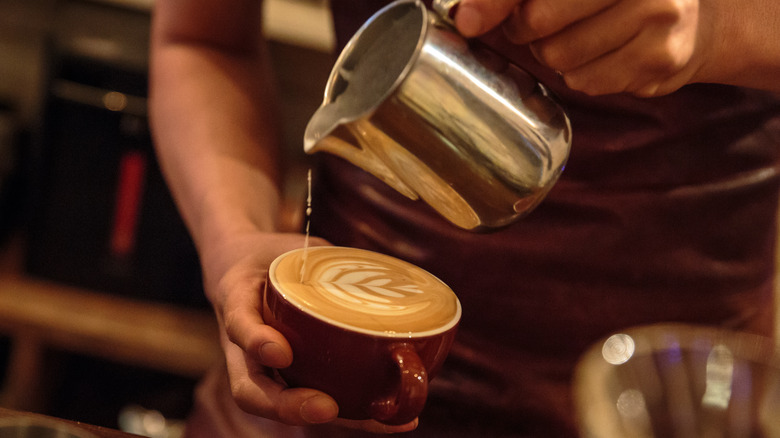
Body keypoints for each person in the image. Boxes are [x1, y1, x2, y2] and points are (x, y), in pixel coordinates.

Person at [149, 0, 780, 436]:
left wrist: (723, 25)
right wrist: (235, 236)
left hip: (656, 403)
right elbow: (203, 37)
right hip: (321, 388)